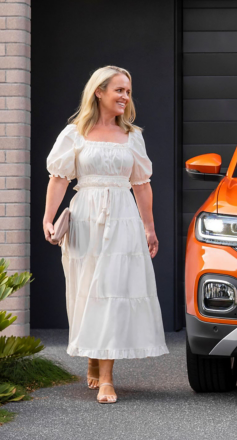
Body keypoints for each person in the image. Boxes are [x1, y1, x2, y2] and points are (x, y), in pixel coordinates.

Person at [42, 66, 168, 404]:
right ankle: (93, 356)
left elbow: (142, 185)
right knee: (88, 289)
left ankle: (108, 378)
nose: (126, 97)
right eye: (119, 90)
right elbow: (59, 178)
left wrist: (149, 227)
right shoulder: (74, 133)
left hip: (123, 218)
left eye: (128, 91)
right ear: (99, 91)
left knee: (112, 288)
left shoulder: (133, 136)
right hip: (85, 218)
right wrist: (48, 217)